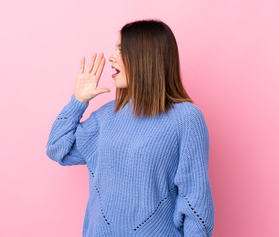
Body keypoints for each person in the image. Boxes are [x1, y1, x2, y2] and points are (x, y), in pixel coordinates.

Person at [46, 19, 215, 237]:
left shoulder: (186, 119)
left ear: (144, 57)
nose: (111, 57)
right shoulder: (108, 115)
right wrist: (78, 100)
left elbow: (195, 203)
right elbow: (57, 148)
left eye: (120, 49)